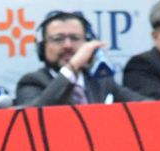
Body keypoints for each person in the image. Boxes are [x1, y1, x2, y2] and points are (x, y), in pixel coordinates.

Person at [15, 10, 147, 107]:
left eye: (75, 38)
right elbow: (34, 115)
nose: (68, 45)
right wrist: (73, 66)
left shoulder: (101, 81)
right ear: (42, 47)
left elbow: (145, 105)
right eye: (58, 39)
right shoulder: (31, 82)